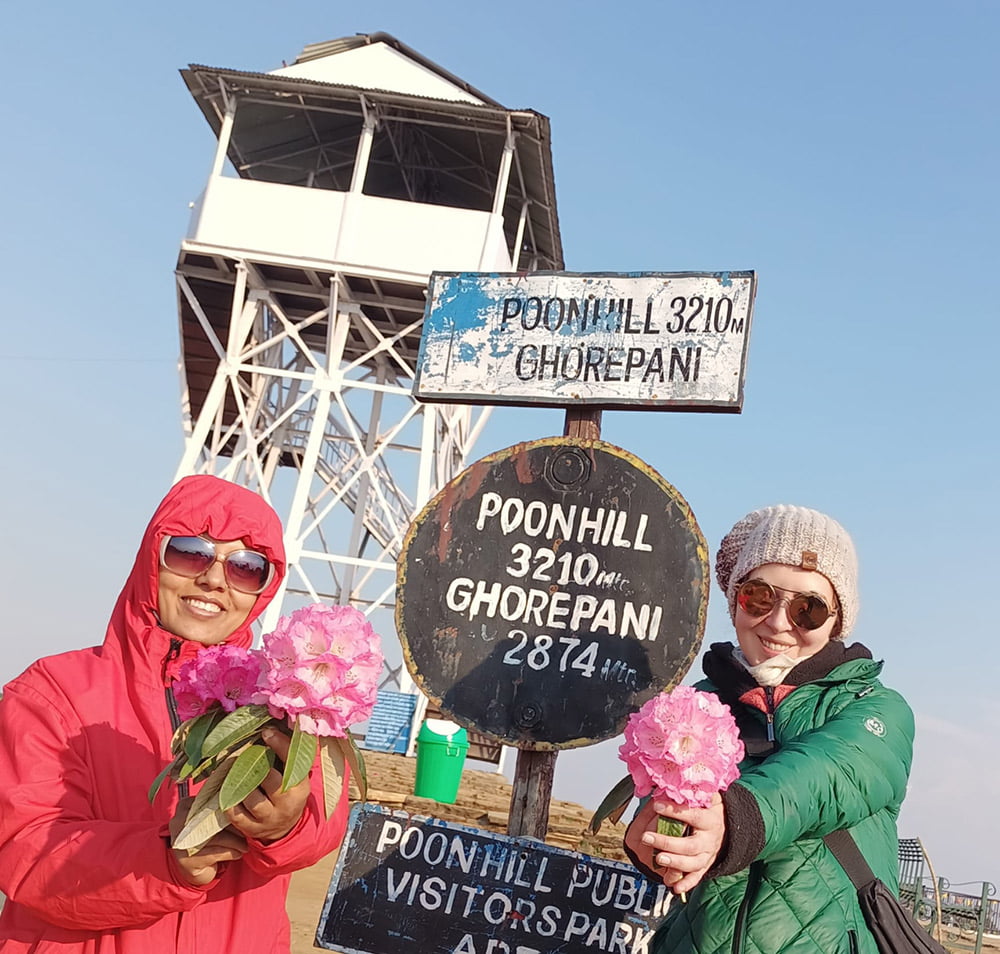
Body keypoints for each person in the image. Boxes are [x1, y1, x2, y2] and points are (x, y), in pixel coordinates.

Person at [0, 475, 351, 952]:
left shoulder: (284, 705)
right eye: (191, 552)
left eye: (247, 568)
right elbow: (27, 853)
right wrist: (165, 861)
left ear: (263, 591)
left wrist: (283, 826)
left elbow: (324, 825)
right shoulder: (52, 694)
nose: (213, 580)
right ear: (152, 559)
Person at [624, 504, 913, 954]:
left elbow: (827, 774)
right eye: (759, 597)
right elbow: (664, 805)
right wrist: (658, 843)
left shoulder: (878, 710)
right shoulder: (694, 705)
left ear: (837, 620)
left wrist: (733, 820)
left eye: (808, 609)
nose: (778, 622)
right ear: (735, 599)